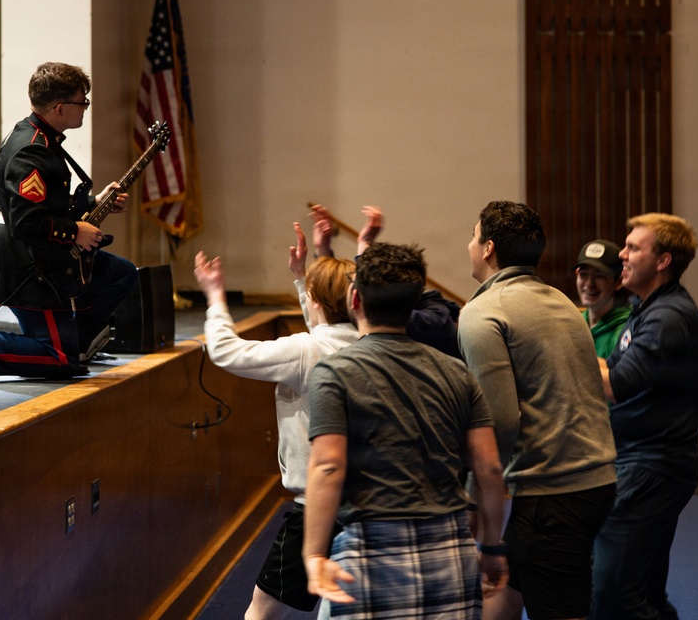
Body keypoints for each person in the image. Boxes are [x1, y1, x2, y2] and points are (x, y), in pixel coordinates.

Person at [302, 242, 508, 618]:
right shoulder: (457, 372)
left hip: (369, 551)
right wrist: (493, 548)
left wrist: (314, 553)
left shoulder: (334, 373)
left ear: (354, 298)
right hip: (451, 548)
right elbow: (490, 469)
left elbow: (328, 466)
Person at [0, 62, 138, 384]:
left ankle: (74, 343)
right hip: (25, 264)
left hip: (44, 254)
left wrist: (95, 202)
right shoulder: (32, 150)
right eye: (82, 102)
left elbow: (47, 203)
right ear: (59, 108)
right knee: (58, 360)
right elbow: (25, 222)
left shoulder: (41, 135)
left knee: (120, 274)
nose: (85, 108)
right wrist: (76, 231)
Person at [457, 201, 617, 620]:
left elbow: (498, 422)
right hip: (595, 481)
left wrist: (476, 496)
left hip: (553, 495)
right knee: (503, 592)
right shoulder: (563, 302)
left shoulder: (482, 313)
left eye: (473, 236)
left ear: (488, 248)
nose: (469, 244)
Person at [194, 222, 359, 620]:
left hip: (314, 506)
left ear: (318, 302)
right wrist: (304, 280)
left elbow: (226, 351)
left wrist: (216, 297)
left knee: (261, 614)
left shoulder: (305, 350)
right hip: (362, 502)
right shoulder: (360, 341)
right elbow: (324, 330)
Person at [593, 213, 698, 620]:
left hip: (652, 468)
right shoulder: (645, 309)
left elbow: (614, 383)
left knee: (610, 594)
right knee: (644, 593)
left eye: (633, 248)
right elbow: (611, 367)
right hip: (643, 461)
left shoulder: (667, 317)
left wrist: (563, 343)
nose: (622, 254)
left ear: (663, 261)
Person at [309, 203, 463, 357]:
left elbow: (372, 304)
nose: (354, 292)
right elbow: (340, 294)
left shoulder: (435, 318)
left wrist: (363, 248)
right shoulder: (397, 310)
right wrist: (324, 252)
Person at [572, 239, 631, 358]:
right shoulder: (575, 323)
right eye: (584, 274)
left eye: (599, 276)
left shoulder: (626, 330)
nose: (589, 283)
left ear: (618, 282)